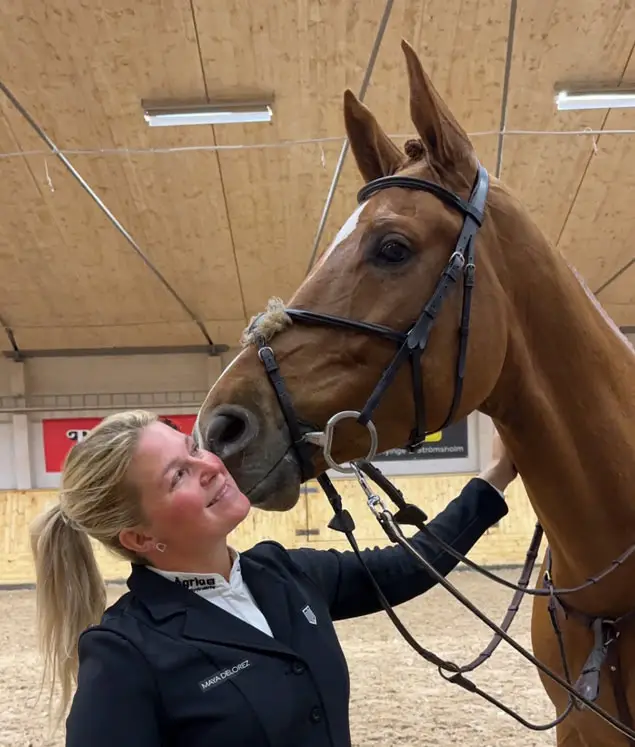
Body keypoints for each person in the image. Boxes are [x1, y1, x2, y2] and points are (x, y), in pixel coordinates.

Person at [29, 409, 518, 747]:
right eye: (177, 475)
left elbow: (408, 567)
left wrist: (496, 475)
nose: (208, 467)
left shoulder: (283, 571)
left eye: (193, 449)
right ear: (137, 537)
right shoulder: (123, 655)